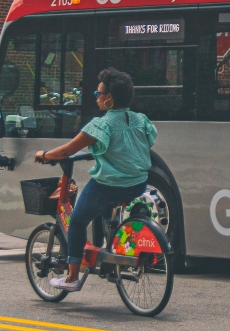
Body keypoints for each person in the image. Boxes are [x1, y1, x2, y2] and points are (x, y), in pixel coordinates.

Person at [34, 68, 157, 292]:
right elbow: (147, 141)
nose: (97, 97)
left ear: (109, 98)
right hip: (138, 183)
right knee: (101, 210)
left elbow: (66, 151)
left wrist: (44, 156)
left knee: (79, 221)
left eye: (98, 93)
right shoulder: (140, 120)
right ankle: (105, 248)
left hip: (110, 186)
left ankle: (71, 278)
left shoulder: (102, 125)